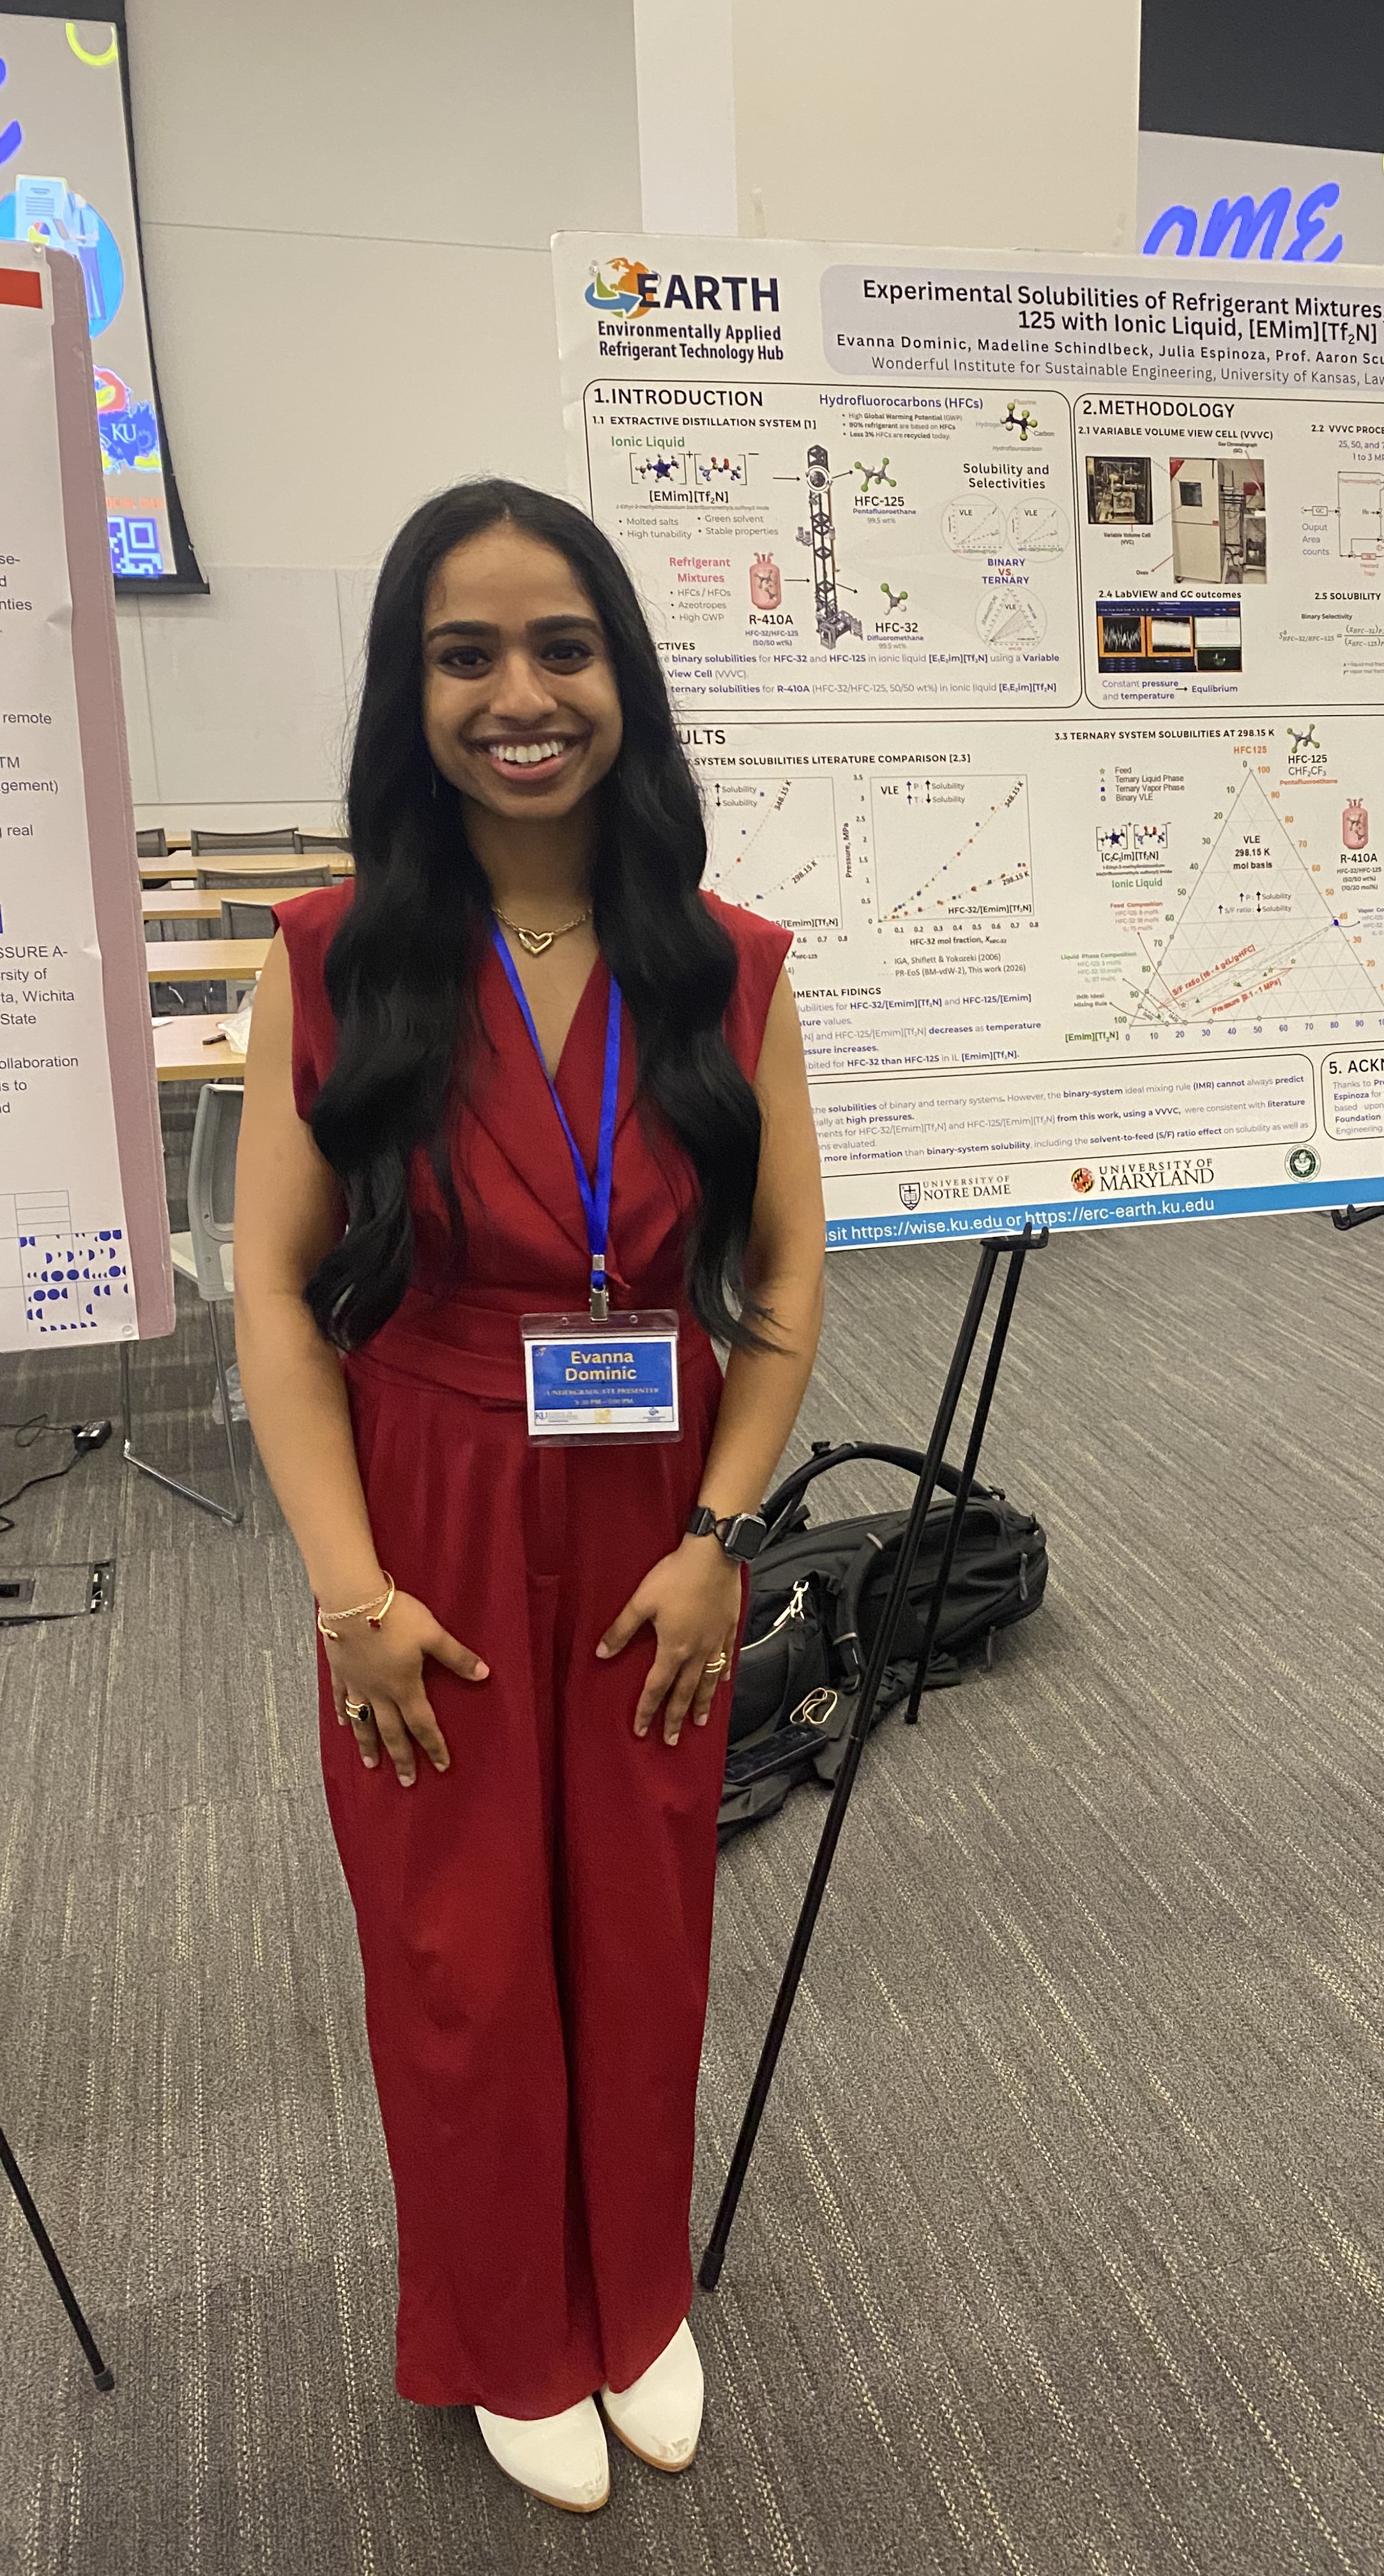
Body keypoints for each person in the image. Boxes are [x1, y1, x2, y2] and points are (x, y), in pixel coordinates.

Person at [233, 479, 825, 2513]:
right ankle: (505, 2327)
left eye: (560, 646)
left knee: (645, 1936)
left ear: (621, 678)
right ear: (412, 696)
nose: (519, 695)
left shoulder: (723, 966)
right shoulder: (329, 959)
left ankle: (632, 2297)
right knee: (462, 1949)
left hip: (656, 1518)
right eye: (463, 653)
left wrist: (724, 1543)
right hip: (428, 1524)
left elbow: (790, 1290)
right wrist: (344, 1591)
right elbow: (275, 1300)